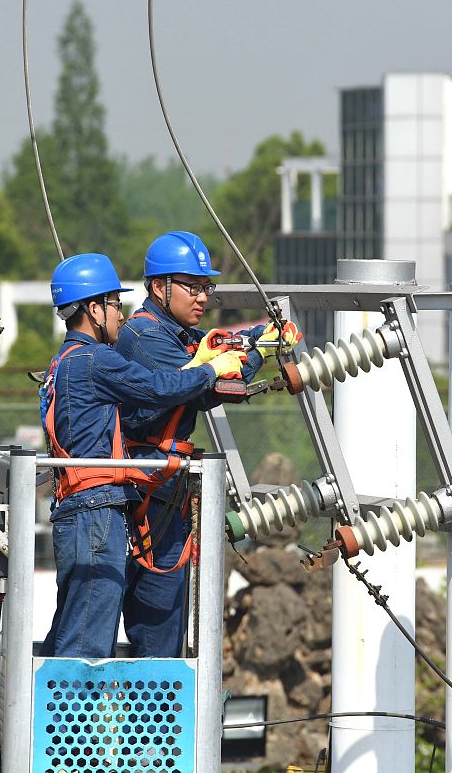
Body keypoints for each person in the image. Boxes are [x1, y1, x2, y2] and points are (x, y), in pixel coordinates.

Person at [39, 251, 248, 659]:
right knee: (86, 644)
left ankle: (60, 717)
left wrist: (197, 362)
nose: (121, 314)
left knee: (75, 625)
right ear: (94, 309)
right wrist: (211, 370)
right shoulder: (94, 360)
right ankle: (75, 720)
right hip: (95, 511)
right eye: (115, 304)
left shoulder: (64, 361)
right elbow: (157, 388)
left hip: (80, 508)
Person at [114, 231, 300, 657]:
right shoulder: (145, 337)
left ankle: (156, 717)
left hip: (163, 490)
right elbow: (199, 388)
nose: (202, 297)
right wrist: (254, 355)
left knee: (166, 622)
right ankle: (136, 718)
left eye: (206, 287)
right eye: (192, 286)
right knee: (148, 622)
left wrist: (258, 338)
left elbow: (214, 358)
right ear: (159, 287)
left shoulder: (178, 335)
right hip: (142, 491)